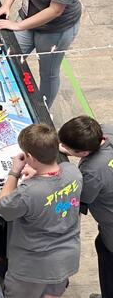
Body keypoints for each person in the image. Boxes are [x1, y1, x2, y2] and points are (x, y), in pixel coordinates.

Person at [0, 124, 82, 298]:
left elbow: (3, 206)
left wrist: (14, 172)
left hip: (32, 268)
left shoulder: (28, 192)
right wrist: (36, 173)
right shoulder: (73, 172)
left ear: (29, 157)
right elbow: (53, 178)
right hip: (65, 260)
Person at [58, 116, 113, 298]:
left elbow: (79, 200)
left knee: (108, 263)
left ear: (83, 153)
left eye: (68, 149)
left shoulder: (92, 171)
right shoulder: (106, 130)